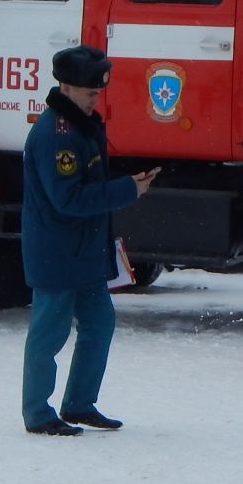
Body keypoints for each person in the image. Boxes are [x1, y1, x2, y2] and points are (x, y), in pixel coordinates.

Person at [20, 45, 157, 436]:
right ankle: (37, 412)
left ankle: (79, 403)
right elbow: (69, 199)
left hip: (82, 251)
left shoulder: (81, 126)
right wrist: (126, 190)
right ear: (65, 87)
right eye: (89, 92)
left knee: (99, 323)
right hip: (58, 253)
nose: (96, 98)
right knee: (49, 334)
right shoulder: (56, 135)